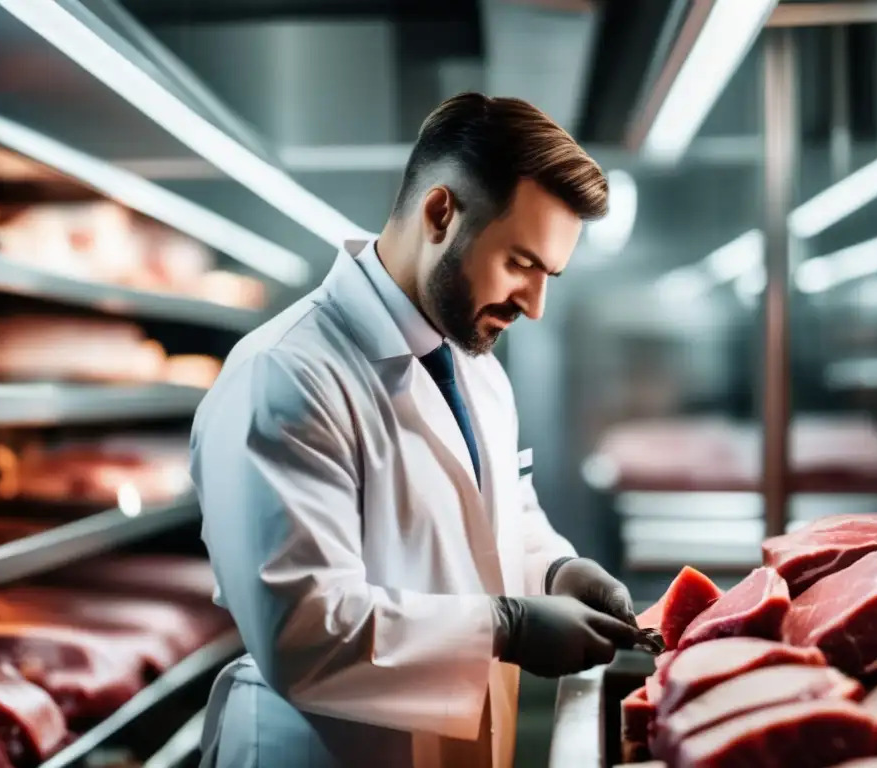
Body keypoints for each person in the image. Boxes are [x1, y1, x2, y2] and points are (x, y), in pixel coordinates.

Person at [191, 92, 639, 768]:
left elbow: (500, 516)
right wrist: (507, 628)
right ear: (440, 213)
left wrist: (555, 569)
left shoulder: (473, 363)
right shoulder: (285, 375)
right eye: (521, 263)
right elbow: (303, 630)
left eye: (549, 275)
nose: (536, 305)